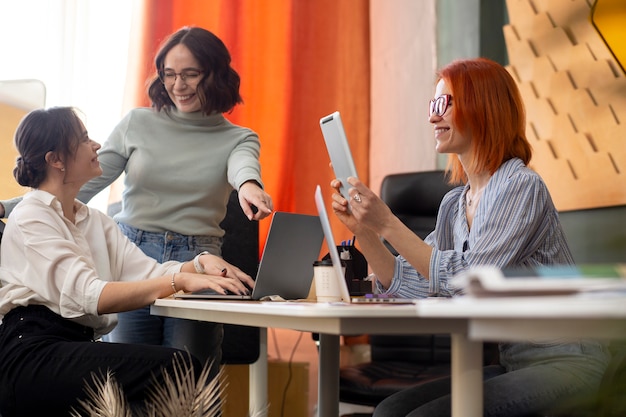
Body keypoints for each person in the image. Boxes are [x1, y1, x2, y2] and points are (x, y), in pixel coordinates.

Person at [330, 58, 610, 417]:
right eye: (432, 106)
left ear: (483, 107)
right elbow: (409, 281)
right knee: (389, 410)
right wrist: (364, 233)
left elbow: (468, 281)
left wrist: (387, 223)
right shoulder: (453, 204)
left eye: (443, 104)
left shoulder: (521, 187)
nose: (432, 117)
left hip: (567, 362)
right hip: (515, 362)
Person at [0, 26, 273, 374]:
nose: (178, 85)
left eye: (190, 74)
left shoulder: (238, 138)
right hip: (133, 250)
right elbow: (66, 188)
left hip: (195, 258)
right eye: (169, 75)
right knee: (130, 374)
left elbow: (243, 169)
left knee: (191, 376)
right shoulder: (137, 123)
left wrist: (249, 186)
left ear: (215, 73)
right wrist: (6, 208)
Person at [0, 106, 255, 416]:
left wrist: (200, 263)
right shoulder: (31, 216)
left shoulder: (96, 222)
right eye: (83, 139)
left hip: (73, 346)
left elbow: (150, 272)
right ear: (55, 160)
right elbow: (89, 295)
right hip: (31, 354)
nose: (96, 145)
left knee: (178, 371)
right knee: (179, 369)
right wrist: (180, 280)